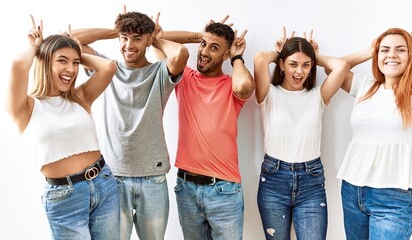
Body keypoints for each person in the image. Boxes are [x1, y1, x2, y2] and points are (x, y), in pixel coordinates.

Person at [331, 28, 412, 239]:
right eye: (385, 50)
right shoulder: (366, 86)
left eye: (401, 50)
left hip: (394, 197)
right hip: (353, 190)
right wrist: (368, 52)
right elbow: (334, 69)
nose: (391, 55)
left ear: (411, 56)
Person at [71, 8, 189, 240]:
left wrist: (157, 38)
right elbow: (71, 40)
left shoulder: (160, 72)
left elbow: (181, 53)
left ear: (148, 41)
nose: (128, 45)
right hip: (112, 177)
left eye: (136, 38)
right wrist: (115, 30)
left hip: (152, 178)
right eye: (124, 38)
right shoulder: (107, 68)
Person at [6, 15, 119, 240]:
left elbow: (108, 67)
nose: (71, 69)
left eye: (75, 63)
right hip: (64, 198)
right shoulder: (26, 107)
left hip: (104, 184)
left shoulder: (80, 97)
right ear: (46, 61)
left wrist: (77, 51)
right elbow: (18, 65)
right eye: (62, 61)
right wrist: (36, 47)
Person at [157, 16, 254, 239]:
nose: (204, 52)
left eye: (214, 48)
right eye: (203, 45)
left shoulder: (232, 85)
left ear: (225, 55)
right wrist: (199, 36)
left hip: (224, 190)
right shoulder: (185, 77)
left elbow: (245, 86)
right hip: (186, 188)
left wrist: (237, 57)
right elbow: (158, 41)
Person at [253, 28, 349, 240]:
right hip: (274, 180)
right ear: (281, 65)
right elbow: (260, 59)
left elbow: (341, 66)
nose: (300, 71)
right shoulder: (269, 94)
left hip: (311, 181)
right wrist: (280, 52)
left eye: (306, 65)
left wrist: (315, 56)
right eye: (293, 64)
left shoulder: (318, 96)